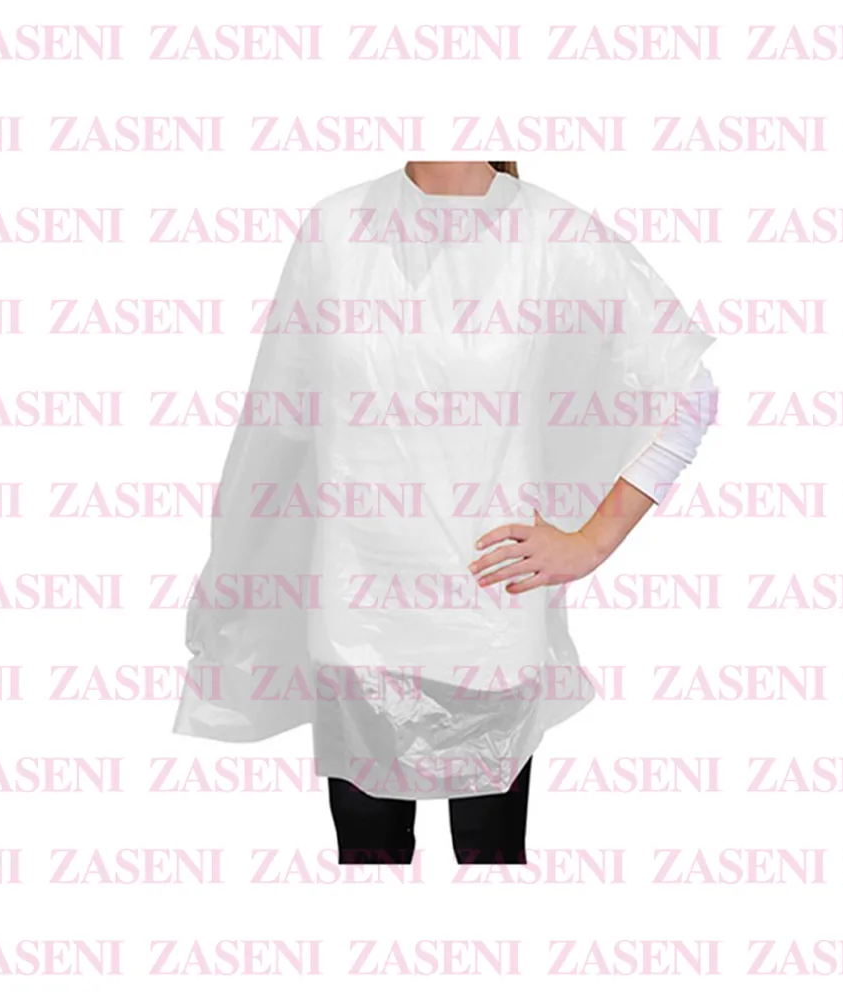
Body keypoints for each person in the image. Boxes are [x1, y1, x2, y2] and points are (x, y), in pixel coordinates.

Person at [174, 160, 718, 866]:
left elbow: (687, 392)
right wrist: (234, 571)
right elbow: (278, 423)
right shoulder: (337, 229)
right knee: (368, 864)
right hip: (356, 618)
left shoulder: (551, 234)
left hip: (487, 618)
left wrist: (591, 542)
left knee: (490, 863)